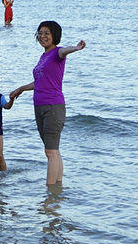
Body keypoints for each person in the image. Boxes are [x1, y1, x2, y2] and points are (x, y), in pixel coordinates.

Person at [9, 20, 85, 186]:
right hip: (40, 105)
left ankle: (50, 192)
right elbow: (39, 81)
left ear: (54, 36)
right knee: (53, 151)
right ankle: (57, 188)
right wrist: (21, 89)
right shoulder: (44, 56)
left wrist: (75, 48)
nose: (42, 36)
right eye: (40, 33)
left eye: (46, 33)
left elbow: (65, 51)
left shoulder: (57, 53)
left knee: (51, 151)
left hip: (53, 106)